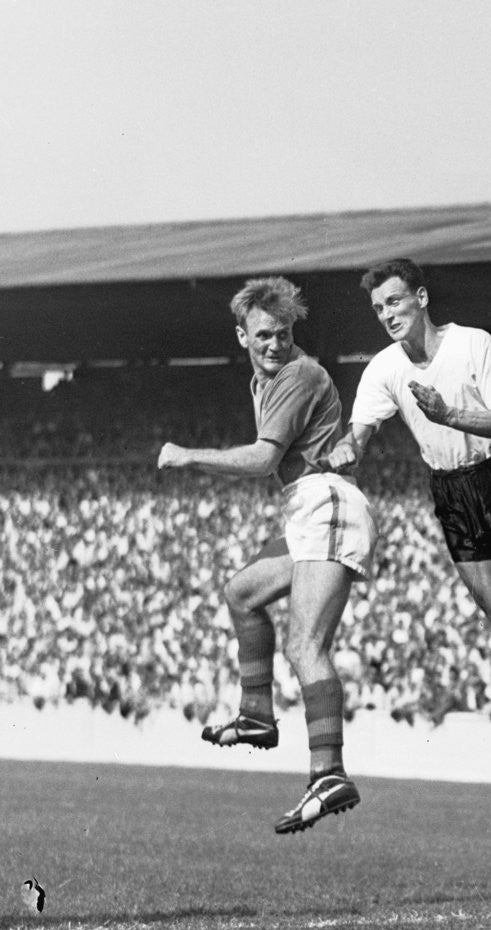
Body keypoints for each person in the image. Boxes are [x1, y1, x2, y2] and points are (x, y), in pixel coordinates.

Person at [328, 258, 491, 797]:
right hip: (452, 493)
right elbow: (362, 432)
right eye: (377, 308)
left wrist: (449, 416)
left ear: (420, 297)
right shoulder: (384, 369)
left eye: (394, 301)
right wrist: (348, 450)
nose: (386, 315)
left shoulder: (473, 344)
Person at [158, 276, 378, 834]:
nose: (274, 345)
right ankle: (257, 714)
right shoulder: (266, 381)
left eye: (282, 334)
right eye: (263, 336)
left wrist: (189, 456)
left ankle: (328, 773)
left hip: (326, 502)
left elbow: (261, 459)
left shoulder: (298, 374)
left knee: (306, 645)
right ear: (242, 336)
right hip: (305, 508)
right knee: (242, 592)